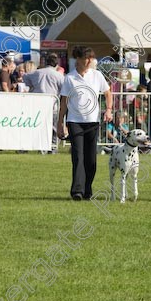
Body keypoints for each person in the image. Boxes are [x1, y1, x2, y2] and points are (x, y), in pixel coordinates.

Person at [57, 46, 112, 201]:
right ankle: (77, 191)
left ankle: (88, 189)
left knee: (91, 159)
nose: (89, 61)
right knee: (78, 156)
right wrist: (60, 123)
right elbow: (64, 102)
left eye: (91, 58)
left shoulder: (97, 75)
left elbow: (108, 93)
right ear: (78, 59)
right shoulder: (70, 77)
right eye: (86, 58)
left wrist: (108, 110)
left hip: (93, 122)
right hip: (75, 121)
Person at [23, 53, 65, 152]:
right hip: (53, 104)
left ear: (46, 62)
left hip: (38, 104)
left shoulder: (37, 72)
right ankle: (53, 147)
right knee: (53, 127)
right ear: (56, 64)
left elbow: (25, 77)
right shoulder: (58, 75)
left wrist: (32, 86)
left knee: (37, 126)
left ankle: (38, 147)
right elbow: (64, 89)